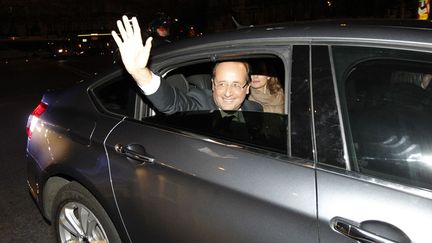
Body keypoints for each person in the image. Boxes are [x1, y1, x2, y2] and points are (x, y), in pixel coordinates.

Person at [111, 15, 262, 114]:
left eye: (236, 84)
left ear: (248, 87)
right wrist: (140, 73)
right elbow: (172, 103)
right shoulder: (199, 102)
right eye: (221, 84)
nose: (227, 93)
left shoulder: (256, 110)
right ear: (213, 85)